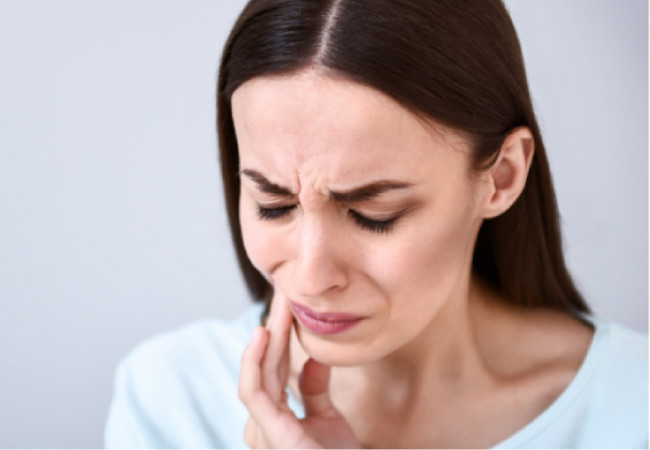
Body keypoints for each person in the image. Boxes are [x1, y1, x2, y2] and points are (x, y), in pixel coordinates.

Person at [105, 0, 648, 448]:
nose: (312, 278)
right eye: (273, 205)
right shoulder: (172, 400)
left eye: (373, 216)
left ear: (501, 177)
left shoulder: (632, 408)